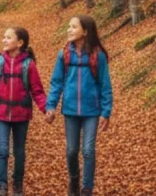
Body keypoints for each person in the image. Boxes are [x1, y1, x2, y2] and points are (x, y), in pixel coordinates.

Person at [0, 27, 47, 196]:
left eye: (8, 37)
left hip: (22, 114)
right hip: (1, 114)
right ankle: (1, 185)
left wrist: (46, 109)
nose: (4, 40)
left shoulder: (29, 65)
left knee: (19, 151)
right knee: (3, 150)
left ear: (20, 43)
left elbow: (37, 91)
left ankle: (17, 183)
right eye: (3, 37)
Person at [44, 15, 113, 196]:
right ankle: (74, 179)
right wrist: (50, 106)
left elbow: (105, 85)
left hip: (92, 110)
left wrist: (106, 112)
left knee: (88, 150)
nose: (69, 30)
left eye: (73, 27)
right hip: (71, 110)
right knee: (72, 150)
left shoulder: (98, 56)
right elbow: (56, 82)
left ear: (85, 31)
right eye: (69, 26)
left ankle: (86, 188)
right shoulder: (64, 54)